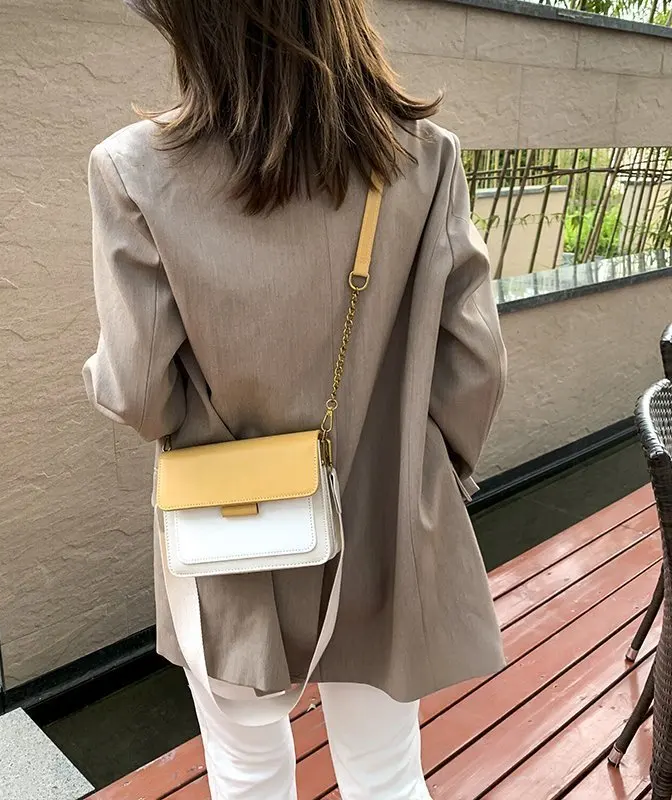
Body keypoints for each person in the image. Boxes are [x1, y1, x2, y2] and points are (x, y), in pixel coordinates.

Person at [83, 1, 507, 797]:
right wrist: (424, 476)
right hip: (385, 522)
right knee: (386, 776)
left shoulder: (131, 168)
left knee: (247, 772)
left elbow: (139, 392)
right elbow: (476, 364)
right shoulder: (424, 156)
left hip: (229, 528)